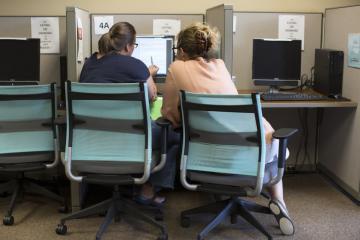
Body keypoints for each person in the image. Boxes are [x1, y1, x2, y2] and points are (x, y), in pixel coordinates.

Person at [161, 22, 294, 235]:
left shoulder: (177, 68)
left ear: (182, 51)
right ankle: (280, 203)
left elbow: (170, 114)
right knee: (273, 147)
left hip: (210, 155)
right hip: (255, 152)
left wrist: (180, 119)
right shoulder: (220, 65)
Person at [79, 22, 175, 206]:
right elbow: (153, 95)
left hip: (91, 140)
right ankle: (148, 189)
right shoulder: (136, 65)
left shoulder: (89, 65)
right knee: (175, 136)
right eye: (134, 45)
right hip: (131, 139)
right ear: (128, 46)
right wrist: (148, 73)